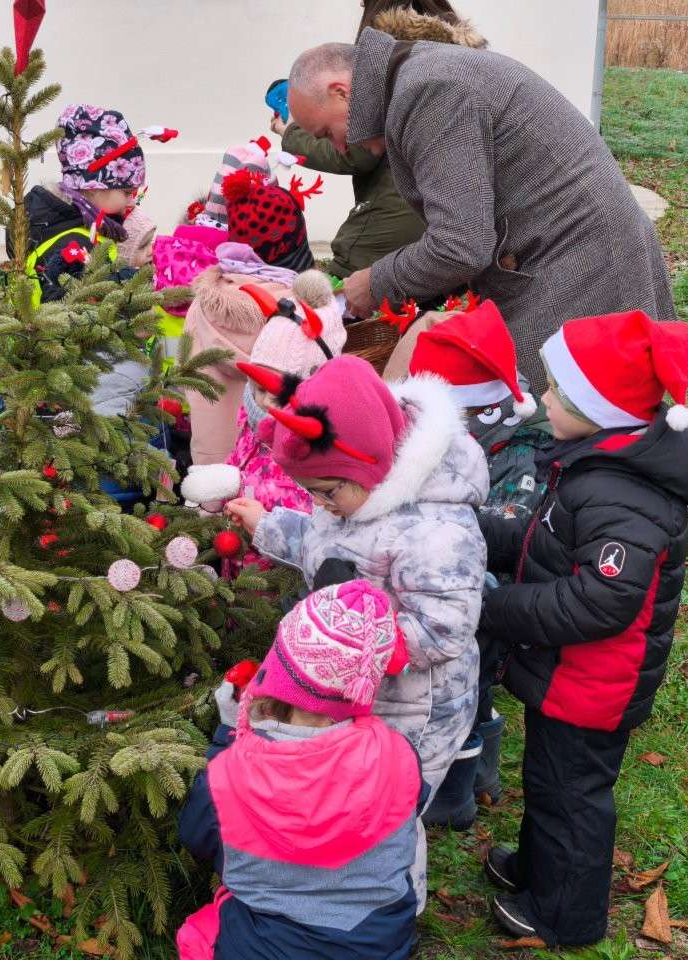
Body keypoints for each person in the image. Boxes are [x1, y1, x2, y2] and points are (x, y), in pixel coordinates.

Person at [478, 311, 688, 947]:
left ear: (599, 407)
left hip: (594, 685)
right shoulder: (596, 461)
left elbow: (598, 602)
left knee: (572, 796)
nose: (547, 398)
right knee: (547, 779)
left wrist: (496, 607)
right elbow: (546, 541)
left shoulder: (625, 495)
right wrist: (482, 537)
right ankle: (538, 871)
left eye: (560, 391)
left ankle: (564, 917)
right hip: (570, 676)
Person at [225, 354, 487, 907]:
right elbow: (326, 549)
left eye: (326, 494)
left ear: (366, 469)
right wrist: (269, 526)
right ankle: (347, 889)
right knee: (357, 797)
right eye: (313, 496)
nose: (320, 506)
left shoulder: (435, 532)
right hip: (360, 691)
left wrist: (353, 650)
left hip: (420, 704)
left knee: (394, 805)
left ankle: (393, 906)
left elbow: (445, 629)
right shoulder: (349, 503)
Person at [284, 32, 675, 393]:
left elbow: (460, 246)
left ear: (341, 93)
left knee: (555, 412)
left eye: (324, 134)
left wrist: (376, 282)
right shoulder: (418, 78)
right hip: (569, 248)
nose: (335, 149)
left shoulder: (428, 92)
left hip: (583, 260)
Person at [176, 580, 424, 960]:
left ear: (279, 670)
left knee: (196, 936)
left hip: (267, 947)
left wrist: (227, 734)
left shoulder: (229, 776)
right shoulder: (401, 756)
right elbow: (408, 803)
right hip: (379, 942)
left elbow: (197, 835)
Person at [401, 298, 549, 828]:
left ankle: (461, 790)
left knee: (469, 690)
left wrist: (441, 523)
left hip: (487, 596)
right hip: (438, 585)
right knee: (447, 691)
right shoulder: (437, 445)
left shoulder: (516, 454)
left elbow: (513, 525)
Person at [273, 1, 486, 281]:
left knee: (342, 288)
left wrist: (291, 133)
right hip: (433, 212)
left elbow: (358, 153)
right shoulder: (447, 52)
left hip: (394, 209)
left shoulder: (388, 56)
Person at [181, 271, 346, 574]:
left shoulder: (319, 440)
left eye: (281, 391)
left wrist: (236, 483)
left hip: (284, 571)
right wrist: (224, 481)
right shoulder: (252, 411)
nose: (267, 401)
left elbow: (310, 504)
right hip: (243, 559)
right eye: (259, 387)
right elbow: (241, 454)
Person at [184, 170, 324, 466]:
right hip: (275, 480)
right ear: (296, 246)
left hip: (210, 469)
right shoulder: (297, 312)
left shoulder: (202, 302)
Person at [15, 104, 158, 305]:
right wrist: (129, 282)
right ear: (93, 187)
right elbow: (76, 307)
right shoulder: (73, 242)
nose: (131, 200)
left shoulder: (80, 224)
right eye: (126, 192)